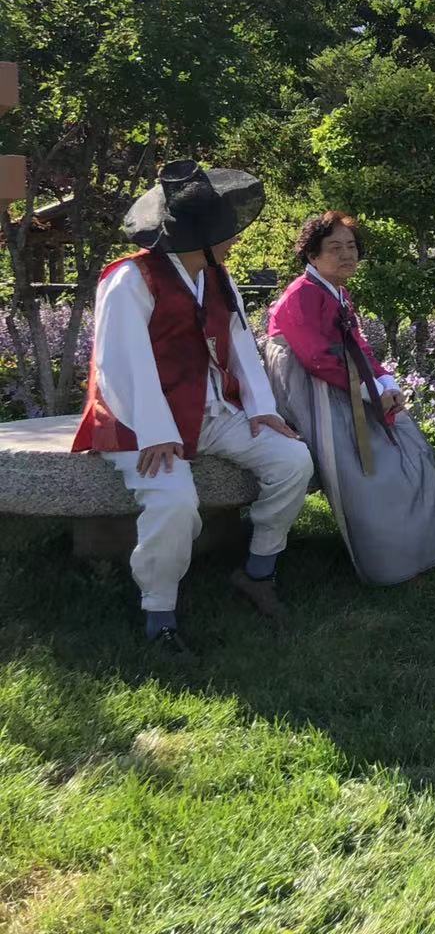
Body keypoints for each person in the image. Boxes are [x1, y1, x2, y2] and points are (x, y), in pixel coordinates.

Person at [72, 161, 314, 659]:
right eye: (224, 232)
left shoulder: (217, 276)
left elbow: (242, 346)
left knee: (293, 462)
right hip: (137, 421)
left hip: (210, 412)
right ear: (196, 238)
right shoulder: (130, 280)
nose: (233, 240)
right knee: (174, 501)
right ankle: (159, 613)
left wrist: (261, 408)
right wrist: (156, 432)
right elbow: (120, 362)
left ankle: (258, 571)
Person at [264, 212, 435, 585]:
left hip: (342, 380)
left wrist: (386, 384)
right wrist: (369, 392)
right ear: (312, 256)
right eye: (335, 248)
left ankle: (415, 548)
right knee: (368, 466)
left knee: (411, 447)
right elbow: (315, 357)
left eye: (352, 247)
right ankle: (391, 562)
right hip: (312, 388)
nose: (347, 255)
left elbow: (357, 345)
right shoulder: (301, 295)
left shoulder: (338, 291)